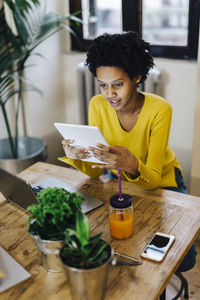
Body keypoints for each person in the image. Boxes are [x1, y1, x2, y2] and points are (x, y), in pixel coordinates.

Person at [59, 31, 196, 273]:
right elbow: (93, 173)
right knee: (111, 239)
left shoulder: (159, 110)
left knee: (184, 259)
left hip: (163, 180)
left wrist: (131, 164)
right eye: (103, 85)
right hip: (119, 179)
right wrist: (78, 156)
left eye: (118, 85)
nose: (109, 94)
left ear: (137, 78)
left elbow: (152, 178)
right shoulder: (96, 105)